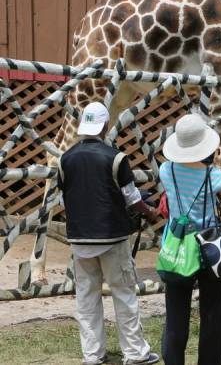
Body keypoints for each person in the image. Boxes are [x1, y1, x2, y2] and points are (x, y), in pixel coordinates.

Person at [58, 102, 160, 365]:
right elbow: (131, 198)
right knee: (123, 294)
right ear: (104, 126)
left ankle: (92, 355)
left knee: (87, 298)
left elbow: (62, 202)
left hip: (79, 240)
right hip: (112, 238)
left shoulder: (65, 159)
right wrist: (149, 212)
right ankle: (135, 353)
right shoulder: (116, 158)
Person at [159, 114, 221, 365]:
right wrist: (219, 166)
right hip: (208, 248)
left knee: (175, 316)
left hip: (177, 247)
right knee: (212, 314)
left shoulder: (165, 170)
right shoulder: (212, 175)